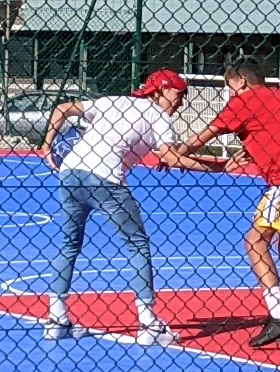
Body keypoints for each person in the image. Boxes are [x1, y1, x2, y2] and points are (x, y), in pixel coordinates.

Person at [184, 57, 280, 346]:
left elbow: (203, 137)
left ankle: (279, 316)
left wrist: (177, 152)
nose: (229, 92)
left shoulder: (245, 100)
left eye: (230, 85)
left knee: (255, 242)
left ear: (241, 81)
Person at [39, 67, 192, 342]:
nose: (181, 102)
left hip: (70, 172)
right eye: (178, 94)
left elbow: (62, 108)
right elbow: (172, 158)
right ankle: (148, 325)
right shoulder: (158, 116)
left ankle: (56, 319)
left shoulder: (113, 102)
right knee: (137, 244)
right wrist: (218, 167)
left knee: (69, 243)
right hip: (106, 179)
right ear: (160, 91)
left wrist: (47, 145)